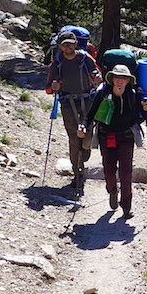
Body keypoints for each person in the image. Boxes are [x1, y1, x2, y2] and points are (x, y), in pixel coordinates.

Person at [80, 63, 147, 219]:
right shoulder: (103, 93)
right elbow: (91, 113)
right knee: (109, 170)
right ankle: (112, 191)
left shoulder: (132, 95)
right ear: (112, 79)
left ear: (128, 81)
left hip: (126, 136)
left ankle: (126, 207)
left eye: (123, 78)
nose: (120, 81)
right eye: (117, 77)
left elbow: (145, 117)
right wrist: (83, 125)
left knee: (126, 173)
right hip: (106, 136)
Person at [45, 31, 100, 193]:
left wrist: (97, 78)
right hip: (68, 103)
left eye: (70, 44)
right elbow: (48, 88)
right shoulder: (57, 63)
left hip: (87, 101)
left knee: (87, 135)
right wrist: (54, 86)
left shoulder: (85, 58)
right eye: (64, 45)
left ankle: (85, 153)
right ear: (60, 46)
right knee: (74, 138)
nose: (68, 47)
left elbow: (98, 76)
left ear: (76, 44)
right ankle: (78, 174)